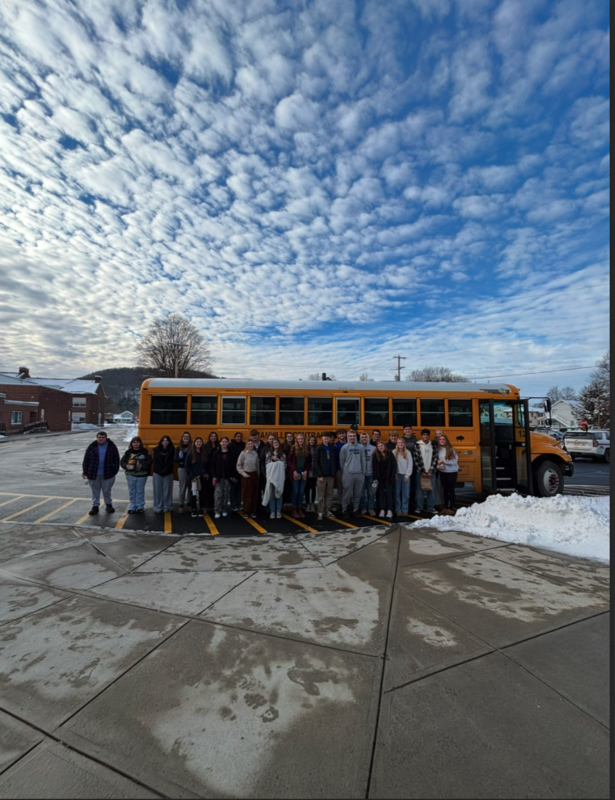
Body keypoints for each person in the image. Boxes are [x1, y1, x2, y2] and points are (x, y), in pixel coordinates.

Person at [81, 430, 120, 515]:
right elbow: (86, 459)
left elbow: (116, 459)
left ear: (106, 438)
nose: (101, 439)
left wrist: (114, 470)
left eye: (102, 437)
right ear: (96, 438)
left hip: (108, 473)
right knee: (95, 491)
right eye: (99, 437)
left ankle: (108, 505)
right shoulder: (92, 446)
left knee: (107, 490)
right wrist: (85, 472)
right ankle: (95, 506)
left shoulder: (111, 446)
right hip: (93, 473)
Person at [120, 435, 152, 514]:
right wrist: (126, 466)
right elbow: (122, 462)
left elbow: (150, 461)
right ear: (131, 443)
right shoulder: (128, 452)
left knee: (140, 491)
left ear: (140, 443)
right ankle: (132, 506)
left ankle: (140, 506)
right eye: (134, 442)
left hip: (142, 474)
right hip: (130, 474)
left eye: (137, 442)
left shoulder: (145, 452)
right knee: (132, 491)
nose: (136, 444)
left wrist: (142, 466)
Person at [339, 429, 367, 518]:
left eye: (354, 436)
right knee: (347, 493)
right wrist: (345, 471)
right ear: (348, 437)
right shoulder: (344, 448)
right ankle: (344, 509)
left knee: (357, 493)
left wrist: (363, 472)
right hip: (348, 474)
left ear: (356, 437)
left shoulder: (361, 447)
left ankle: (355, 509)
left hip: (359, 473)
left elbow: (363, 460)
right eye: (350, 436)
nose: (352, 437)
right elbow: (342, 461)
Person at [210, 436, 237, 519]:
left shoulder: (231, 453)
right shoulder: (216, 453)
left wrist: (233, 476)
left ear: (228, 443)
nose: (224, 443)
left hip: (228, 478)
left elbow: (234, 466)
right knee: (218, 495)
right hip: (218, 478)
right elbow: (212, 465)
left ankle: (224, 509)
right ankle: (217, 511)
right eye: (223, 442)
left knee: (225, 495)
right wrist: (214, 476)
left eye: (226, 442)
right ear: (220, 443)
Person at [314, 432, 338, 520]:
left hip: (330, 475)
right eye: (325, 437)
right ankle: (320, 511)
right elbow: (315, 462)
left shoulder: (332, 448)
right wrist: (319, 475)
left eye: (328, 437)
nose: (326, 438)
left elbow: (334, 461)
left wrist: (333, 473)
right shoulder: (319, 448)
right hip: (322, 476)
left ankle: (327, 510)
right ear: (322, 438)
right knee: (321, 495)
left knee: (329, 494)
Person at [286, 433, 311, 519]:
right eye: (299, 439)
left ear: (304, 439)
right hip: (295, 471)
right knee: (296, 491)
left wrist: (306, 470)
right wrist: (294, 471)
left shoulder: (307, 448)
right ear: (296, 440)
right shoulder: (293, 448)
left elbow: (309, 461)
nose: (300, 440)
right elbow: (289, 460)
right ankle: (294, 509)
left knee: (301, 491)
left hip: (303, 471)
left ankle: (299, 508)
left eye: (302, 439)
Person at [414, 429, 438, 513]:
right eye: (424, 435)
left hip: (431, 473)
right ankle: (419, 507)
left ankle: (431, 507)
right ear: (421, 436)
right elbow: (416, 459)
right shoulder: (417, 445)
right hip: (420, 473)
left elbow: (435, 459)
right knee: (419, 491)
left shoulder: (433, 445)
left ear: (428, 436)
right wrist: (422, 472)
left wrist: (431, 471)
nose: (425, 436)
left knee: (431, 491)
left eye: (427, 435)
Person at [262, 438, 286, 518]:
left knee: (279, 492)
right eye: (274, 443)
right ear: (272, 444)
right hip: (271, 476)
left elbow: (284, 464)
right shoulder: (269, 453)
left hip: (279, 476)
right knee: (272, 493)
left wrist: (277, 460)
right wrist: (274, 462)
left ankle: (278, 511)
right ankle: (272, 511)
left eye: (277, 442)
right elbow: (267, 464)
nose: (275, 444)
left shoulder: (282, 454)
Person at [236, 439, 260, 518]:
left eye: (251, 444)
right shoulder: (243, 454)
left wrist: (258, 475)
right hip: (246, 475)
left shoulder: (255, 454)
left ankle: (253, 511)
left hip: (254, 474)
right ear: (246, 445)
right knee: (247, 494)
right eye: (248, 444)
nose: (250, 445)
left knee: (254, 493)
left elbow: (257, 466)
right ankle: (246, 511)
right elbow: (239, 466)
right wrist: (244, 474)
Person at [372, 441, 396, 519]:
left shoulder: (390, 454)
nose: (380, 447)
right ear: (377, 448)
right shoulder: (375, 455)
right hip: (380, 478)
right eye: (379, 446)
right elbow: (374, 467)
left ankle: (389, 510)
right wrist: (375, 478)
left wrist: (392, 476)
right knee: (381, 494)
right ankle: (382, 509)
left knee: (389, 494)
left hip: (388, 478)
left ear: (384, 446)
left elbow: (394, 466)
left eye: (381, 445)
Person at [436, 433, 459, 513]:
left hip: (452, 472)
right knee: (445, 490)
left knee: (451, 489)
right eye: (440, 439)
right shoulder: (438, 450)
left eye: (443, 439)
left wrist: (443, 460)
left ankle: (451, 507)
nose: (442, 441)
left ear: (446, 440)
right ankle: (446, 506)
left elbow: (454, 461)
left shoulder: (451, 449)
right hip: (443, 472)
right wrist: (438, 466)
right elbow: (436, 462)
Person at [185, 437, 208, 517]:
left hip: (202, 477)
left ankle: (201, 508)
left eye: (200, 442)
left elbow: (207, 465)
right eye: (197, 442)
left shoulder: (204, 453)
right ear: (194, 443)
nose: (199, 443)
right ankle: (194, 509)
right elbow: (187, 466)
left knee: (202, 494)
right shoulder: (190, 453)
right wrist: (192, 476)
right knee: (193, 494)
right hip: (194, 478)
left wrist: (206, 474)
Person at [152, 435, 175, 513]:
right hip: (157, 473)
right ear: (161, 442)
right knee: (157, 491)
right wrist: (160, 471)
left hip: (168, 473)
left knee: (167, 490)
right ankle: (158, 506)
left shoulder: (172, 450)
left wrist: (165, 470)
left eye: (167, 440)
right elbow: (155, 461)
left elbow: (171, 462)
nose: (165, 442)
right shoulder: (156, 450)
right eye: (163, 440)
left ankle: (167, 506)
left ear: (169, 442)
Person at [393, 439, 413, 516]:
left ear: (404, 444)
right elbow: (392, 465)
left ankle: (404, 509)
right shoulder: (394, 452)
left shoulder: (408, 453)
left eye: (402, 442)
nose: (400, 444)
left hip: (405, 475)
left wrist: (407, 476)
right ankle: (398, 509)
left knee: (405, 494)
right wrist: (394, 475)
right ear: (397, 444)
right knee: (397, 493)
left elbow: (410, 465)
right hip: (397, 475)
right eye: (399, 443)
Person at [401, 425, 418, 514]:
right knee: (403, 488)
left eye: (409, 429)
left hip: (413, 467)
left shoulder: (415, 440)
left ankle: (411, 505)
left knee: (412, 487)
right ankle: (403, 505)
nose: (407, 430)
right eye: (406, 429)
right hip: (403, 467)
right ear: (403, 431)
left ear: (411, 430)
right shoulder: (401, 440)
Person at [174, 431, 192, 514]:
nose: (186, 438)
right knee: (182, 487)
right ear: (182, 438)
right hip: (182, 469)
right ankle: (181, 505)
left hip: (191, 469)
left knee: (191, 488)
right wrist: (185, 459)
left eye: (187, 437)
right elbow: (175, 459)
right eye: (184, 437)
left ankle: (189, 504)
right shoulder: (179, 448)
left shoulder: (192, 447)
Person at [359, 432, 376, 516]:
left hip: (371, 474)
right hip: (361, 474)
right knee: (361, 493)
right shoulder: (358, 448)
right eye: (362, 437)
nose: (364, 439)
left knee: (371, 492)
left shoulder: (373, 448)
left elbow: (376, 462)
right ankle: (363, 508)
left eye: (365, 437)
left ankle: (371, 508)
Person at [229, 432, 245, 511]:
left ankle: (239, 503)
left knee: (239, 488)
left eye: (240, 437)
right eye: (237, 436)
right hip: (233, 469)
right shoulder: (231, 445)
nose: (239, 438)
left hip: (241, 469)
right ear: (235, 437)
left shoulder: (243, 445)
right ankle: (233, 504)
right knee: (233, 488)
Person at [204, 432, 220, 510]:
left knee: (216, 488)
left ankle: (215, 504)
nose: (213, 437)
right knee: (208, 488)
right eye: (212, 436)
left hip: (217, 469)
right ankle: (208, 504)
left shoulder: (218, 446)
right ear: (209, 437)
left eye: (215, 436)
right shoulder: (206, 446)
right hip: (208, 468)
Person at [333, 429, 347, 509]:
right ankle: (340, 503)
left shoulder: (349, 444)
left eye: (343, 433)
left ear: (345, 434)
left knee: (347, 487)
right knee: (340, 486)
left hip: (348, 469)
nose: (341, 435)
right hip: (339, 468)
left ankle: (347, 503)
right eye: (340, 434)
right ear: (338, 436)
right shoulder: (336, 445)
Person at [281, 432, 295, 508]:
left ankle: (290, 502)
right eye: (288, 436)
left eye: (291, 436)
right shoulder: (283, 446)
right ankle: (285, 502)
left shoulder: (295, 446)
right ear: (286, 438)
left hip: (292, 468)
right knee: (285, 485)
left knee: (292, 486)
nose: (289, 437)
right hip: (284, 468)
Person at [306, 435, 318, 512]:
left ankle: (312, 503)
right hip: (307, 470)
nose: (312, 442)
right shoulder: (306, 449)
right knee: (307, 488)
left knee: (313, 488)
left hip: (314, 471)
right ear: (309, 441)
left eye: (313, 440)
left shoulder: (317, 449)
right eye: (311, 440)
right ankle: (308, 503)